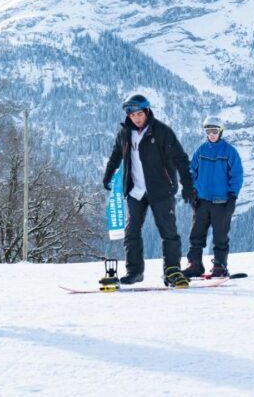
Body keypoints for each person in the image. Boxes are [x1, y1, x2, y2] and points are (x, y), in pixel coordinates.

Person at [103, 94, 197, 288]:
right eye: (132, 115)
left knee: (168, 231)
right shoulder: (124, 134)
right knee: (132, 232)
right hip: (136, 191)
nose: (136, 118)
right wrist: (108, 175)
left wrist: (188, 185)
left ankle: (171, 271)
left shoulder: (162, 132)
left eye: (139, 114)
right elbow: (115, 156)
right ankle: (134, 271)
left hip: (160, 190)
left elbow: (180, 158)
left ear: (146, 112)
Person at [183, 116, 243, 278]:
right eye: (208, 131)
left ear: (221, 132)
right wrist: (192, 192)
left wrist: (233, 196)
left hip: (221, 202)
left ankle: (220, 265)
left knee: (220, 235)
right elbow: (191, 172)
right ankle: (195, 264)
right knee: (196, 234)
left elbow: (237, 175)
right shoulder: (201, 150)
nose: (212, 134)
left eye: (215, 131)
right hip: (202, 201)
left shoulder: (229, 151)